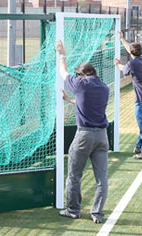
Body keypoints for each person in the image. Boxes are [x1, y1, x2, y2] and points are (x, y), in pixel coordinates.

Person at [55, 41, 109, 223]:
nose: (77, 77)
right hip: (102, 137)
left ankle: (73, 210)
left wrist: (62, 54)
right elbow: (86, 104)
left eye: (78, 75)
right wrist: (69, 98)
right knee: (102, 179)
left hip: (84, 135)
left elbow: (63, 72)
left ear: (83, 74)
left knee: (74, 175)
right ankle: (97, 214)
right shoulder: (104, 88)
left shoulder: (81, 84)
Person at [114, 32, 142, 160]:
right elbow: (131, 49)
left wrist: (117, 64)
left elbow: (123, 69)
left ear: (132, 54)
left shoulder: (133, 64)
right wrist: (122, 39)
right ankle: (139, 146)